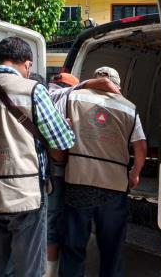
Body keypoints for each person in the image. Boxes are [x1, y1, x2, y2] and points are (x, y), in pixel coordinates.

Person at [0, 36, 75, 277]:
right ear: (27, 64)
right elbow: (62, 141)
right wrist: (66, 125)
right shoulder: (33, 90)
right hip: (25, 196)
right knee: (28, 270)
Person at [59, 67, 147, 277]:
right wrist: (135, 172)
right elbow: (141, 146)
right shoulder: (128, 107)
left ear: (95, 79)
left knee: (73, 248)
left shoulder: (74, 97)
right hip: (114, 189)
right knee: (112, 250)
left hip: (77, 183)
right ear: (117, 85)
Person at [45, 71, 121, 277]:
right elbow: (104, 81)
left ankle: (51, 270)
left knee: (60, 227)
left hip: (49, 173)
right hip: (64, 173)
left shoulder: (44, 96)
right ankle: (51, 271)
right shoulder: (70, 97)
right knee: (58, 226)